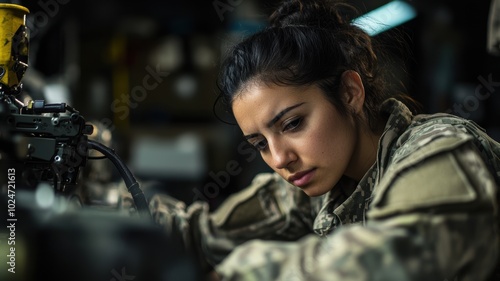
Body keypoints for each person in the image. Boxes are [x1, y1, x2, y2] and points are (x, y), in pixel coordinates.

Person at [148, 0, 500, 280]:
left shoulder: (441, 149)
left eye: (293, 123)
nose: (279, 159)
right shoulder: (319, 185)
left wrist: (249, 273)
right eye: (259, 144)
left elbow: (397, 256)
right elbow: (202, 235)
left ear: (349, 92)